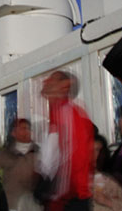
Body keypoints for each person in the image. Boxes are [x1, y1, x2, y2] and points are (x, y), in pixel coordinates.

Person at [39, 69, 94, 211]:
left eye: (52, 79)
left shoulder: (69, 113)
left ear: (65, 86)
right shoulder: (56, 114)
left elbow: (75, 160)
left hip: (70, 200)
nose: (46, 82)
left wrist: (57, 197)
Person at [0, 118, 42, 211]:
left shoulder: (38, 151)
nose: (26, 131)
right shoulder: (6, 152)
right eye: (22, 128)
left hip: (33, 203)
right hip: (12, 203)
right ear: (13, 132)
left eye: (28, 128)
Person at [92, 134, 122, 211]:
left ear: (105, 153)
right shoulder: (78, 182)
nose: (96, 155)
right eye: (91, 151)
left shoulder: (117, 180)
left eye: (99, 150)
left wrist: (107, 201)